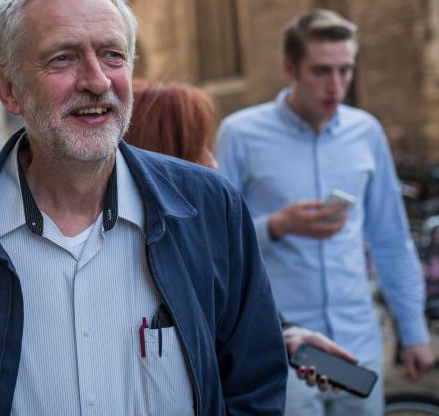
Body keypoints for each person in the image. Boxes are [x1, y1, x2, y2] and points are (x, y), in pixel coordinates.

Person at [0, 0, 287, 414]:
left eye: (113, 55)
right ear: (9, 89)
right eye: (62, 59)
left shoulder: (209, 208)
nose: (97, 81)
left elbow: (254, 384)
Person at [215, 9, 434, 415]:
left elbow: (391, 239)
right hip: (284, 349)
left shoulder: (366, 131)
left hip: (357, 345)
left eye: (345, 70)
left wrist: (414, 330)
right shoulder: (241, 134)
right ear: (289, 68)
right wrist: (277, 227)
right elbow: (216, 243)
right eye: (321, 71)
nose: (336, 86)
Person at [126, 80, 359, 393]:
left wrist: (285, 334)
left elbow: (233, 319)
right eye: (196, 147)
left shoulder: (206, 240)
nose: (212, 162)